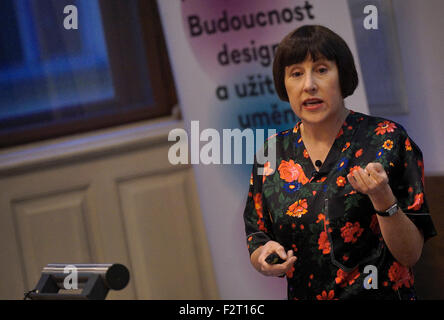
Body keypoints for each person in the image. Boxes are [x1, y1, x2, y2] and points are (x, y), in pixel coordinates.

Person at [243, 25, 437, 300]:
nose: (309, 84)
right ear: (284, 84)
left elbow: (410, 254)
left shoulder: (387, 140)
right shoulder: (272, 153)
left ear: (342, 76)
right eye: (296, 74)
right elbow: (258, 236)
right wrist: (263, 257)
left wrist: (382, 198)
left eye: (321, 70)